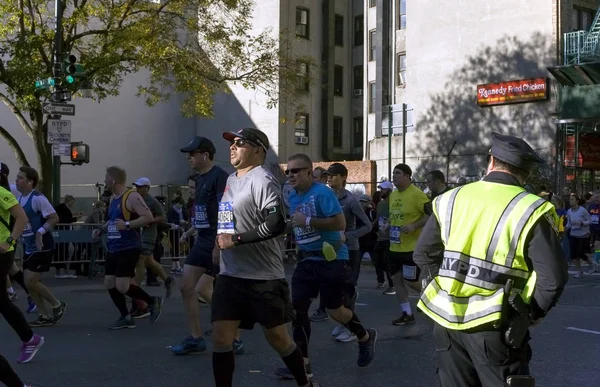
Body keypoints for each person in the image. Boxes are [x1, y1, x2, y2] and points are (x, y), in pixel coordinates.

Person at [414, 132, 569, 387]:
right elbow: (553, 278)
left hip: (446, 322)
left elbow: (422, 254)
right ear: (526, 173)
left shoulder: (450, 199)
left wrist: (439, 289)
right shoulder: (531, 208)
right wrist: (531, 314)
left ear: (491, 162)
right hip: (497, 325)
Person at [211, 128, 316, 387]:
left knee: (278, 338)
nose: (232, 147)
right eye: (231, 144)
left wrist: (235, 240)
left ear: (258, 150)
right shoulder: (232, 180)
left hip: (263, 278)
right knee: (221, 338)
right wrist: (219, 240)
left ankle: (305, 383)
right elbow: (226, 213)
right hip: (230, 275)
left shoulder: (263, 180)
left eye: (240, 143)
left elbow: (277, 223)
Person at [276, 153, 377, 380]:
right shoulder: (292, 196)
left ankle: (364, 336)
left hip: (332, 259)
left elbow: (339, 223)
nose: (290, 175)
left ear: (309, 172)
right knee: (299, 311)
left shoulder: (323, 193)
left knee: (335, 311)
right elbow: (297, 224)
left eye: (295, 171)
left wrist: (308, 221)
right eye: (287, 172)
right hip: (306, 260)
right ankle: (302, 364)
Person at [170, 136, 243, 356]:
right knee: (186, 287)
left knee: (218, 292)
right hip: (201, 240)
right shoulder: (199, 179)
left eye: (192, 154)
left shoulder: (220, 177)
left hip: (215, 241)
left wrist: (218, 242)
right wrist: (192, 232)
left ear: (205, 154)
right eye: (188, 154)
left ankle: (236, 338)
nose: (188, 157)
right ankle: (196, 338)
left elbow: (226, 208)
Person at [92, 166, 163, 329]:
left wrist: (128, 224)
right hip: (113, 247)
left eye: (106, 178)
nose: (104, 181)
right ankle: (125, 316)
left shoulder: (132, 196)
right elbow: (113, 220)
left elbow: (148, 217)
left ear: (114, 180)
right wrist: (101, 229)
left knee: (122, 285)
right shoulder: (113, 199)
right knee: (109, 282)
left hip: (128, 247)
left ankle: (152, 301)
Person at [0, 168, 44, 364]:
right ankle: (29, 338)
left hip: (2, 252)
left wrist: (9, 240)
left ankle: (30, 338)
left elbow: (22, 218)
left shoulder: (2, 193)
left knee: (1, 302)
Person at [15, 166, 67, 327]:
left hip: (43, 244)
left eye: (20, 178)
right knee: (27, 281)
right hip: (29, 245)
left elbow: (54, 217)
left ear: (30, 182)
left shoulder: (37, 198)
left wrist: (40, 232)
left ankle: (58, 304)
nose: (17, 180)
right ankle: (43, 315)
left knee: (31, 279)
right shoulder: (20, 199)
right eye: (17, 177)